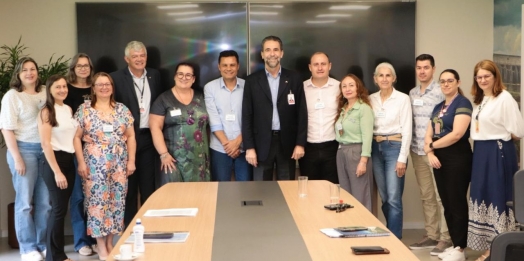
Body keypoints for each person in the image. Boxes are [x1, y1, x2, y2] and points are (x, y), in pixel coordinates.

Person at [73, 72, 136, 260]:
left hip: (119, 162)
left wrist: (131, 160)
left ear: (112, 87)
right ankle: (101, 246)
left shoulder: (122, 109)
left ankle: (110, 243)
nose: (104, 87)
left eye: (107, 84)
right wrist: (81, 163)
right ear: (93, 88)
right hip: (93, 163)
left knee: (116, 202)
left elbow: (131, 136)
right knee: (97, 204)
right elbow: (76, 137)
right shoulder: (84, 109)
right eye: (99, 84)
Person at [467, 60, 524, 261]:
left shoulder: (504, 98)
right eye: (479, 77)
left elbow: (518, 130)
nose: (482, 80)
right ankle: (489, 246)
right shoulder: (481, 99)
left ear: (495, 77)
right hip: (481, 152)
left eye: (486, 76)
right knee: (483, 195)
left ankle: (499, 248)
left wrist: (501, 137)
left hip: (497, 151)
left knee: (498, 195)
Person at [0, 57, 50, 261]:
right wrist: (17, 157)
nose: (29, 73)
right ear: (19, 75)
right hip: (23, 150)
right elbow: (6, 128)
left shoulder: (46, 91)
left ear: (37, 72)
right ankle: (28, 248)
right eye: (25, 70)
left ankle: (42, 244)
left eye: (33, 69)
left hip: (46, 150)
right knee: (24, 203)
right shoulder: (13, 96)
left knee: (45, 203)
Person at [111, 41, 164, 227]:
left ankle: (149, 226)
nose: (139, 59)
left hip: (149, 137)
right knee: (129, 189)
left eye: (142, 55)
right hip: (127, 139)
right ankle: (130, 229)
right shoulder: (116, 78)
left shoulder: (155, 76)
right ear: (127, 59)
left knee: (149, 186)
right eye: (135, 56)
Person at [242, 35, 308, 180]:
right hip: (261, 145)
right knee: (261, 191)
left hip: (288, 144)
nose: (272, 54)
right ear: (262, 54)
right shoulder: (252, 81)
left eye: (276, 50)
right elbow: (247, 116)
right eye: (268, 50)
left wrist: (300, 144)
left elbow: (301, 114)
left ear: (281, 53)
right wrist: (250, 147)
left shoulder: (294, 78)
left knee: (287, 190)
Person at [423, 69, 472, 261]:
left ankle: (461, 248)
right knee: (447, 202)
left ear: (458, 82)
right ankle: (454, 243)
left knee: (457, 202)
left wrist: (431, 146)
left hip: (457, 157)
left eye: (450, 81)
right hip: (439, 158)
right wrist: (431, 152)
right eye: (442, 81)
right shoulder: (438, 106)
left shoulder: (463, 103)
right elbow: (428, 132)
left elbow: (457, 134)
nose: (445, 84)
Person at [408, 54, 451, 255]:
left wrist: (434, 147)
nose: (422, 71)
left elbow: (447, 122)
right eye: (419, 67)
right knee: (426, 196)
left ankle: (446, 237)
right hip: (417, 151)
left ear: (433, 69)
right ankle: (432, 234)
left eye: (426, 67)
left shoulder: (441, 91)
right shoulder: (412, 93)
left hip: (436, 152)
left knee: (443, 196)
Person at [369, 62, 412, 239]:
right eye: (381, 75)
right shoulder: (370, 99)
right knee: (385, 197)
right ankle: (390, 230)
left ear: (394, 78)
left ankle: (395, 238)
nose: (384, 79)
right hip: (375, 148)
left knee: (394, 198)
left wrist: (402, 158)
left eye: (388, 75)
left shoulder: (403, 99)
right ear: (375, 79)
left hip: (395, 148)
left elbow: (408, 129)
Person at [38, 75, 78, 261]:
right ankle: (55, 256)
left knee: (60, 210)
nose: (62, 90)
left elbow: (72, 135)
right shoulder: (47, 111)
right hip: (54, 162)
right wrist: (57, 172)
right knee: (58, 210)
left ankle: (57, 255)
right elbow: (46, 144)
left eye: (64, 86)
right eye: (57, 87)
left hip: (68, 160)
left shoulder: (67, 108)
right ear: (50, 90)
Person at [150, 62, 210, 183]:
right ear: (174, 76)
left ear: (193, 79)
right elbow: (155, 127)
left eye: (188, 75)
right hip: (173, 159)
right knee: (175, 197)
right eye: (180, 74)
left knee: (200, 196)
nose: (184, 78)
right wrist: (164, 154)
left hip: (200, 159)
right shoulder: (163, 99)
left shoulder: (202, 97)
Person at [64, 53, 97, 256]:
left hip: (98, 150)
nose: (83, 69)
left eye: (86, 65)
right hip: (75, 149)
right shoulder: (66, 90)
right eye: (79, 66)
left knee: (95, 196)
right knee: (77, 197)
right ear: (73, 68)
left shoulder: (98, 88)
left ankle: (95, 237)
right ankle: (81, 241)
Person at [204, 50, 252, 181]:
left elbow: (252, 118)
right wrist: (228, 145)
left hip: (244, 147)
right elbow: (214, 119)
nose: (228, 68)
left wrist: (237, 143)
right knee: (220, 190)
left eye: (232, 65)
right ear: (219, 67)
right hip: (220, 149)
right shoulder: (210, 88)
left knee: (245, 190)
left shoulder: (248, 86)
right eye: (224, 65)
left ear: (238, 66)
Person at [299, 52, 340, 184]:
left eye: (323, 64)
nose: (320, 68)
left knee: (332, 189)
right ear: (310, 67)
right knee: (310, 190)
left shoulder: (340, 87)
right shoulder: (301, 88)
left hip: (333, 147)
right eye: (316, 64)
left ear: (330, 66)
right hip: (308, 149)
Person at [334, 74, 374, 211]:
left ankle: (363, 228)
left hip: (357, 153)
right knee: (345, 194)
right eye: (344, 86)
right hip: (341, 152)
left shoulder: (364, 108)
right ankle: (349, 227)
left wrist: (363, 161)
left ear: (358, 87)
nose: (347, 89)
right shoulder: (344, 108)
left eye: (351, 85)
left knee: (360, 194)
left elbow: (367, 136)